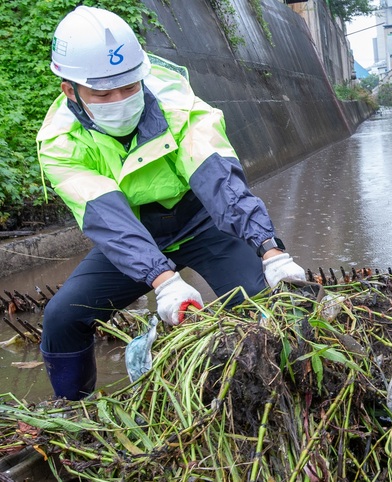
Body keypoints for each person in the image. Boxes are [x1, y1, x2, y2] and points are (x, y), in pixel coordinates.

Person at [36, 6, 306, 400]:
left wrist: (270, 249)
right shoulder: (59, 141)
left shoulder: (177, 103)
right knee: (62, 318)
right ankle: (75, 410)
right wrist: (164, 280)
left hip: (202, 221)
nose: (121, 99)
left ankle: (285, 396)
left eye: (129, 87)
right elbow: (109, 219)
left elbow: (218, 181)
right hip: (135, 233)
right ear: (70, 90)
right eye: (103, 93)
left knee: (270, 307)